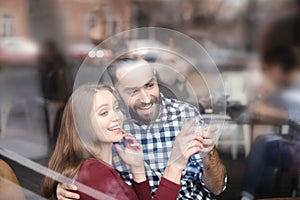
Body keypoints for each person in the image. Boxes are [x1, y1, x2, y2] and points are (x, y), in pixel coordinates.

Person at [57, 55, 226, 200]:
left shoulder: (185, 115)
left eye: (150, 85)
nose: (146, 99)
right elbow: (81, 164)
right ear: (116, 91)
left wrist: (209, 154)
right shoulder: (111, 131)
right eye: (133, 91)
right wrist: (68, 184)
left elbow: (217, 188)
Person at [43, 84, 204, 199]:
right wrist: (176, 164)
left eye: (116, 108)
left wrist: (137, 167)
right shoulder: (94, 173)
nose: (116, 117)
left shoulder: (97, 168)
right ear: (83, 124)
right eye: (104, 112)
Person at [240, 46, 300, 200]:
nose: (266, 74)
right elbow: (262, 106)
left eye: (268, 69)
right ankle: (259, 195)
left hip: (296, 149)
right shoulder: (284, 87)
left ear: (278, 68)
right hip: (292, 145)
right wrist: (263, 94)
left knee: (262, 144)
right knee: (262, 150)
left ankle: (247, 195)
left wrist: (267, 110)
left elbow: (294, 114)